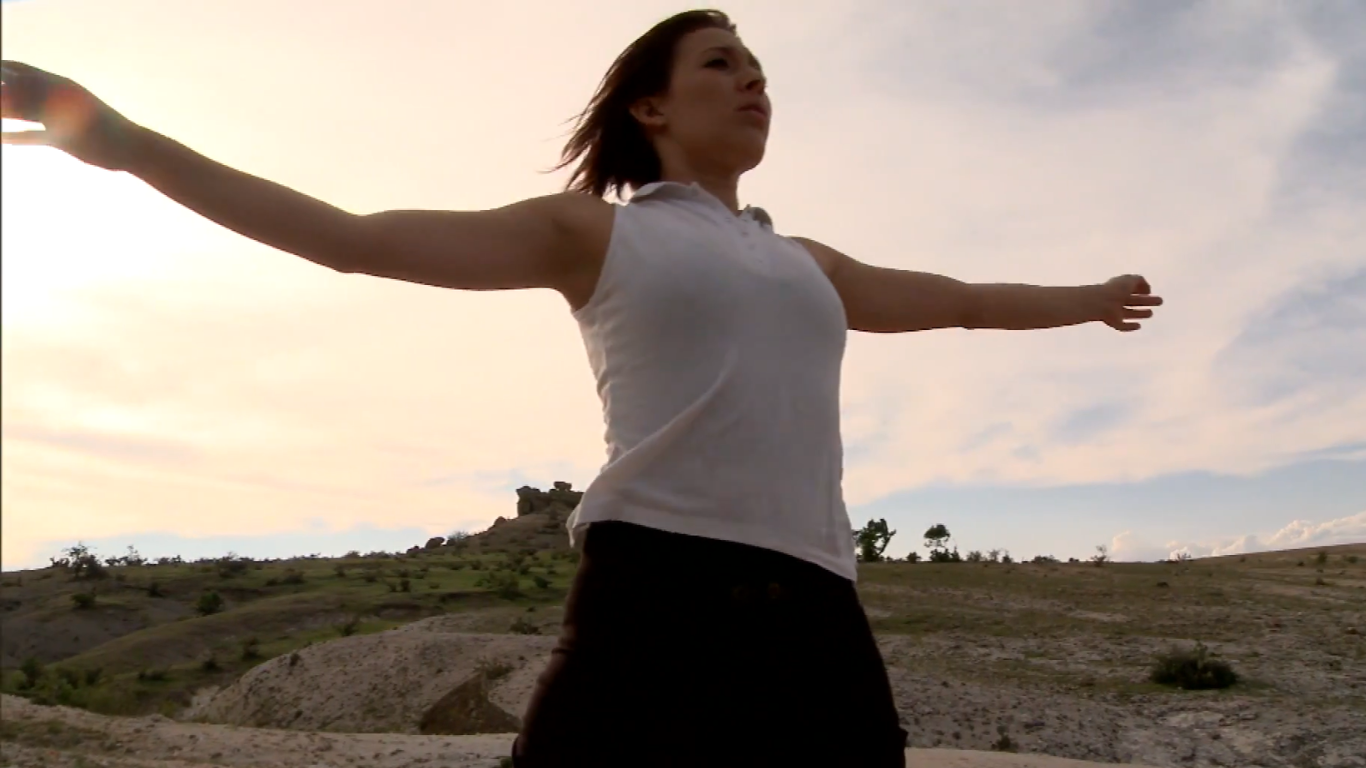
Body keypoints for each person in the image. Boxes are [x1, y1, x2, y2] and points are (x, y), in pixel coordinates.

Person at [1, 9, 1162, 767]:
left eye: (762, 72)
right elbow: (348, 237)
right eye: (722, 65)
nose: (754, 84)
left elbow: (958, 296)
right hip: (658, 593)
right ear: (651, 107)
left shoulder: (808, 262)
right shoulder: (590, 233)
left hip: (816, 603)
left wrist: (1088, 292)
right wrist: (124, 140)